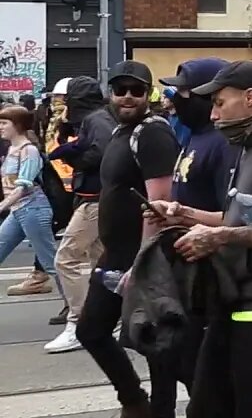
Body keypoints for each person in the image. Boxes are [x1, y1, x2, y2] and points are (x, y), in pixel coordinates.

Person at [147, 60, 252, 417]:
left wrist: (219, 237)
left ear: (250, 97)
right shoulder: (251, 141)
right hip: (237, 300)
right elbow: (240, 216)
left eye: (220, 103)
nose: (213, 114)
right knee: (207, 408)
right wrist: (181, 213)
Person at [78, 61, 178, 418]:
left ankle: (157, 410)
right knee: (91, 331)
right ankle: (134, 400)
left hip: (143, 258)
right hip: (115, 254)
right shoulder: (121, 133)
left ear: (149, 94)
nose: (128, 97)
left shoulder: (153, 133)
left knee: (155, 346)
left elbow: (160, 206)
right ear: (110, 93)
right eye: (121, 90)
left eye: (137, 90)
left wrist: (142, 263)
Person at [45, 76, 114, 352]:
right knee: (100, 260)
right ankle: (108, 316)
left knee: (67, 258)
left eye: (62, 100)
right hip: (97, 197)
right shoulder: (97, 117)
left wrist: (73, 159)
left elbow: (103, 152)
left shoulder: (95, 120)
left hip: (95, 199)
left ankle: (80, 323)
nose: (59, 106)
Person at [0, 105, 63, 298]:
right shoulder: (11, 148)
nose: (0, 127)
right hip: (18, 211)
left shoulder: (29, 151)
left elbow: (23, 186)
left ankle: (76, 306)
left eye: (4, 123)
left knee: (51, 262)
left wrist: (3, 205)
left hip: (33, 209)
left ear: (17, 125)